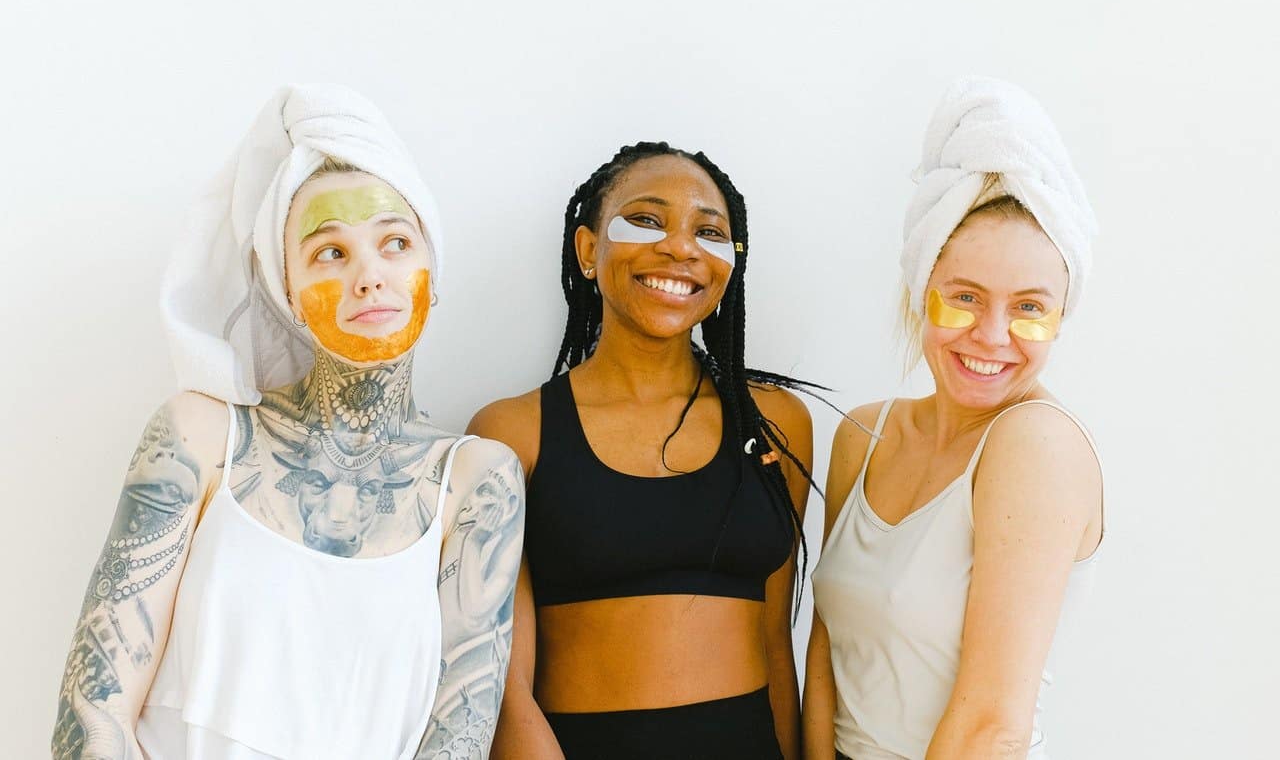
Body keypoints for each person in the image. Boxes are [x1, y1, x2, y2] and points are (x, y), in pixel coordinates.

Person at [50, 84, 524, 760]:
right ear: (288, 292)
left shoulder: (478, 480)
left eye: (395, 242)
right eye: (330, 252)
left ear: (431, 269)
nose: (369, 275)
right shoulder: (199, 436)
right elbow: (91, 713)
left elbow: (463, 731)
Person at [472, 142, 814, 760]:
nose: (680, 247)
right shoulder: (513, 433)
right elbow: (500, 685)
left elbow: (776, 646)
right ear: (586, 251)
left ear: (729, 264)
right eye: (648, 220)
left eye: (707, 231)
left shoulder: (775, 424)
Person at [804, 77, 1105, 760]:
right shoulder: (864, 435)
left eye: (1030, 307)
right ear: (922, 291)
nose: (993, 336)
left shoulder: (1037, 445)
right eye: (964, 298)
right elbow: (827, 656)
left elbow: (991, 725)